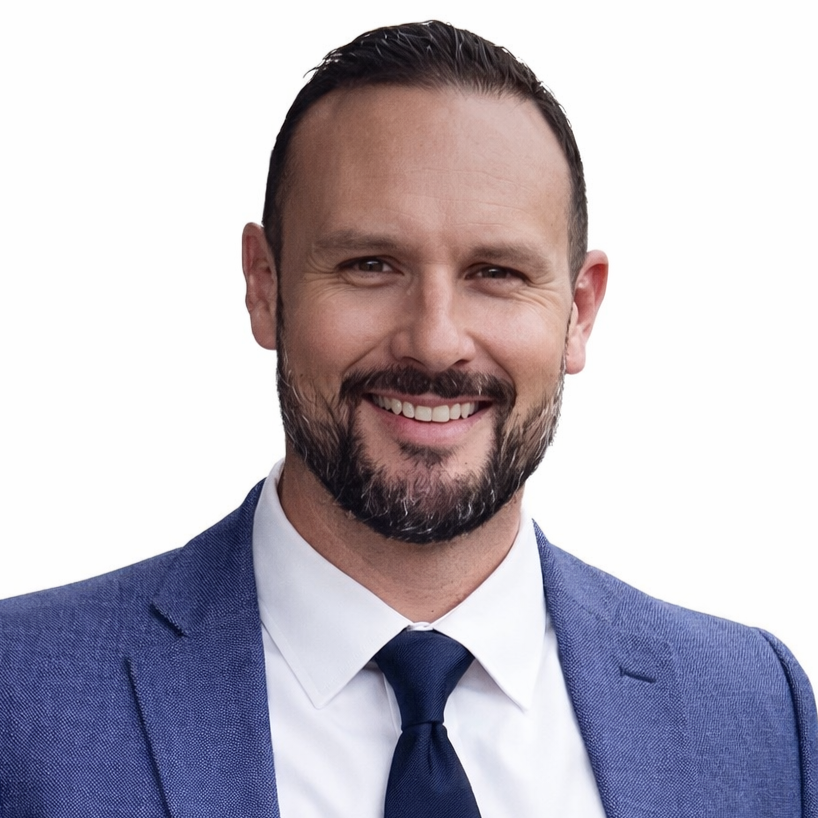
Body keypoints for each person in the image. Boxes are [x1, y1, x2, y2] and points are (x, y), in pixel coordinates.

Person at [0, 20, 815, 817]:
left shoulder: (756, 713)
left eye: (495, 272)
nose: (434, 340)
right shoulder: (23, 693)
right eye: (370, 265)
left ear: (580, 311)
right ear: (264, 286)